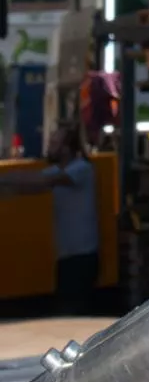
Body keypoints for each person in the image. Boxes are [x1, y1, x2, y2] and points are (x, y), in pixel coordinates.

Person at [0, 123, 100, 311]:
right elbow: (29, 184)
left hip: (82, 258)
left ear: (66, 148)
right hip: (67, 257)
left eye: (54, 143)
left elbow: (42, 180)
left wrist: (3, 179)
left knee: (73, 312)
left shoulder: (81, 169)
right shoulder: (59, 171)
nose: (49, 148)